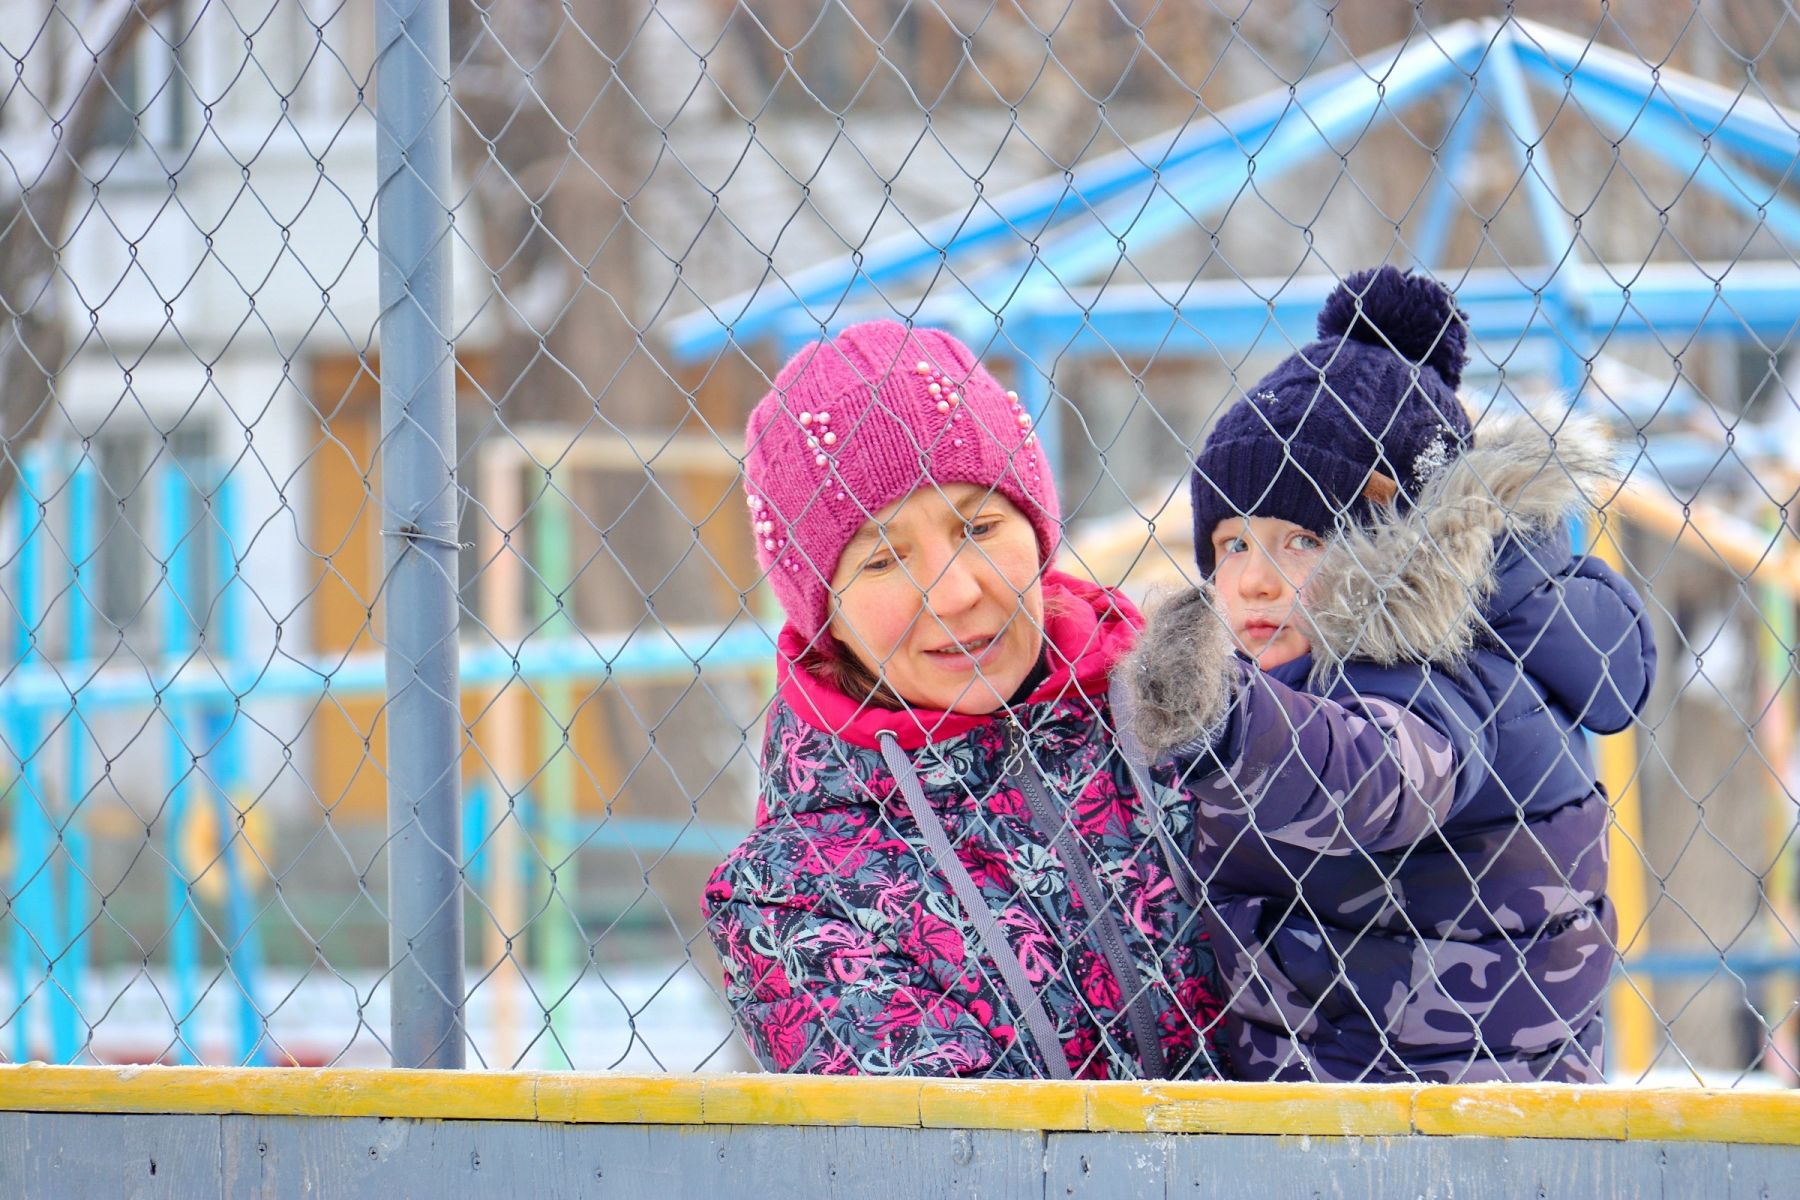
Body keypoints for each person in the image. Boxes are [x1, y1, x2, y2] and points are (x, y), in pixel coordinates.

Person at [1122, 265, 1658, 1083]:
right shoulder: (1315, 663)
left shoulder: (1438, 663)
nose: (1256, 580)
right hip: (1359, 1084)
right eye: (1233, 544)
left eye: (1303, 539)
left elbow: (1379, 774)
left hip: (1438, 1109)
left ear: (1397, 546)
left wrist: (1223, 729)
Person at [702, 320, 1224, 1078]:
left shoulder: (1188, 717)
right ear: (826, 618)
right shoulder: (795, 898)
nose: (954, 593)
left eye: (979, 526)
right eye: (884, 559)